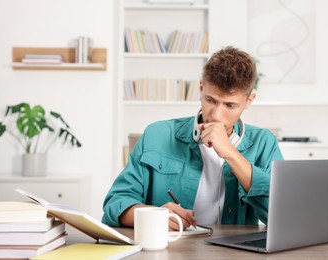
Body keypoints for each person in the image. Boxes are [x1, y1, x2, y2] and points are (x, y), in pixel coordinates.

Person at [102, 46, 283, 230]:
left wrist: (230, 153)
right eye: (211, 100)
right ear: (201, 88)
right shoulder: (157, 134)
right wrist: (153, 216)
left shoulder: (264, 143)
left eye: (230, 105)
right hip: (171, 250)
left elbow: (282, 215)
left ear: (249, 101)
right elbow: (115, 204)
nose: (217, 116)